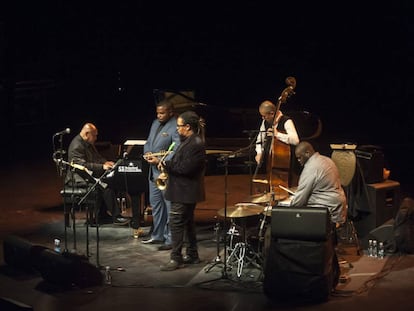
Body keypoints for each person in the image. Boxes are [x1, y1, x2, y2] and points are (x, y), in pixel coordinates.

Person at [155, 110, 206, 271]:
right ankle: (192, 254)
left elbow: (185, 169)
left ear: (188, 127)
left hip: (185, 191)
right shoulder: (189, 141)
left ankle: (175, 258)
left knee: (176, 223)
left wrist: (166, 165)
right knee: (188, 223)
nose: (177, 129)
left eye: (179, 126)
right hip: (184, 190)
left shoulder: (196, 144)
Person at [66, 123, 129, 225]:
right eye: (94, 135)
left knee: (110, 181)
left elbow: (97, 157)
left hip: (87, 174)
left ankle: (102, 215)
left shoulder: (87, 143)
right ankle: (116, 216)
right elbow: (81, 166)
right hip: (78, 178)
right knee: (105, 186)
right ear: (87, 134)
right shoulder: (76, 146)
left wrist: (105, 162)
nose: (96, 138)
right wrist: (101, 167)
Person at [142, 101, 180, 251]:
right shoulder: (154, 123)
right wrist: (147, 152)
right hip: (153, 173)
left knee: (169, 206)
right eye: (157, 113)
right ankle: (158, 235)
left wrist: (161, 160)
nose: (159, 116)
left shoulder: (177, 125)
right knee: (156, 205)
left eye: (162, 113)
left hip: (165, 173)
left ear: (171, 112)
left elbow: (177, 149)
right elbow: (148, 142)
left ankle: (170, 238)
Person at [290, 141, 347, 225]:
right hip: (338, 206)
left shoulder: (311, 167)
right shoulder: (327, 160)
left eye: (300, 157)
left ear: (307, 153)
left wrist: (288, 209)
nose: (298, 160)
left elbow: (300, 198)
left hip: (327, 210)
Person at [255, 100, 300, 186]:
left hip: (284, 165)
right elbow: (259, 140)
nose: (263, 119)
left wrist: (277, 134)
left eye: (264, 116)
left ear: (272, 113)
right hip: (270, 162)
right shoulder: (265, 122)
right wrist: (259, 153)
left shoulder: (286, 121)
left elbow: (296, 140)